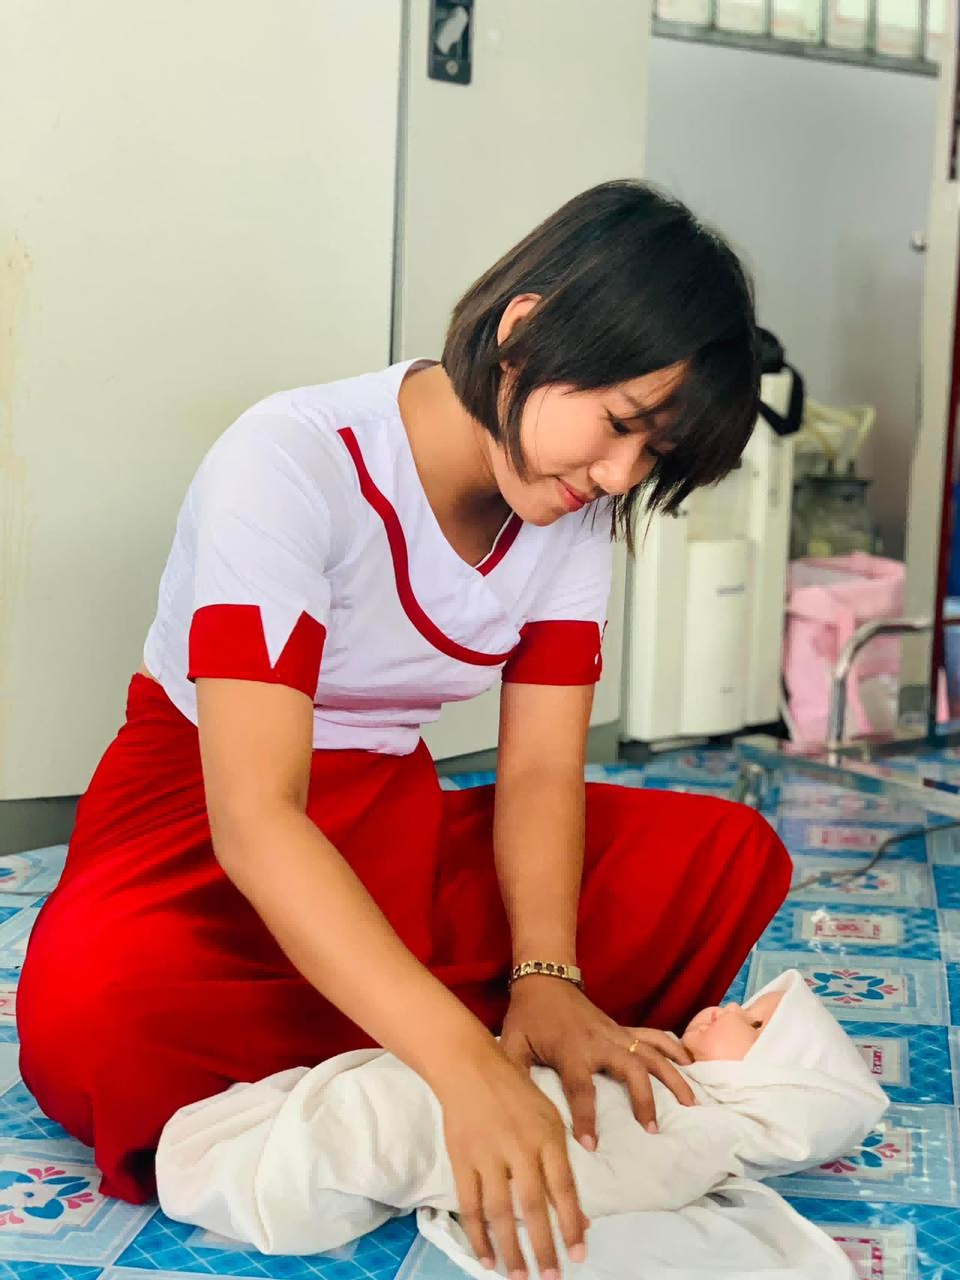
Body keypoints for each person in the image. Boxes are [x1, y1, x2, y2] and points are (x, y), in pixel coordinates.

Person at [18, 179, 791, 1280]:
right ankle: (425, 1033)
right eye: (621, 423)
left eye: (651, 457)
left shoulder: (570, 510)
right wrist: (466, 1069)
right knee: (92, 1014)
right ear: (524, 331)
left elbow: (534, 775)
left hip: (390, 827)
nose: (618, 475)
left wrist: (547, 974)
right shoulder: (290, 460)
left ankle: (409, 1029)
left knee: (722, 858)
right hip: (207, 824)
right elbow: (254, 818)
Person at [152, 970, 888, 1258]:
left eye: (753, 1027)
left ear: (776, 1086)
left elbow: (623, 1163)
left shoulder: (704, 1128)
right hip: (473, 1076)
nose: (726, 1006)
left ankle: (283, 1162)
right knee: (394, 1094)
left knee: (388, 1123)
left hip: (486, 1117)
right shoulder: (667, 1058)